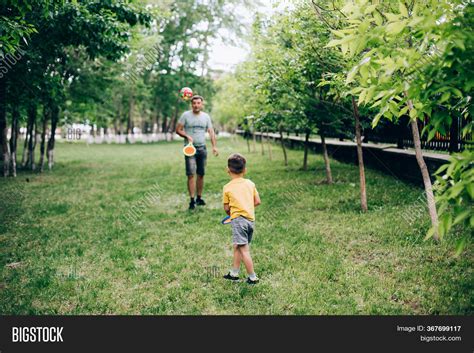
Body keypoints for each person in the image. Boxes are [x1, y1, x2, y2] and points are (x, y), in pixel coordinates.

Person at [222, 153, 261, 284]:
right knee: (238, 246)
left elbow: (227, 208)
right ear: (244, 170)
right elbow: (257, 201)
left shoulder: (227, 187)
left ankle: (253, 277)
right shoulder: (250, 184)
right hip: (250, 220)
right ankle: (234, 273)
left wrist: (232, 212)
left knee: (244, 249)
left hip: (238, 221)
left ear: (228, 170)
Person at [176, 95, 218, 210]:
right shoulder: (185, 115)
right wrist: (187, 136)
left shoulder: (206, 117)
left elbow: (211, 131)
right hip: (189, 149)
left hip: (202, 149)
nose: (196, 105)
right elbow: (178, 129)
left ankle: (199, 198)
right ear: (191, 104)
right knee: (191, 174)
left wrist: (214, 146)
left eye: (198, 103)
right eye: (194, 103)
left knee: (201, 174)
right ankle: (192, 200)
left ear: (202, 104)